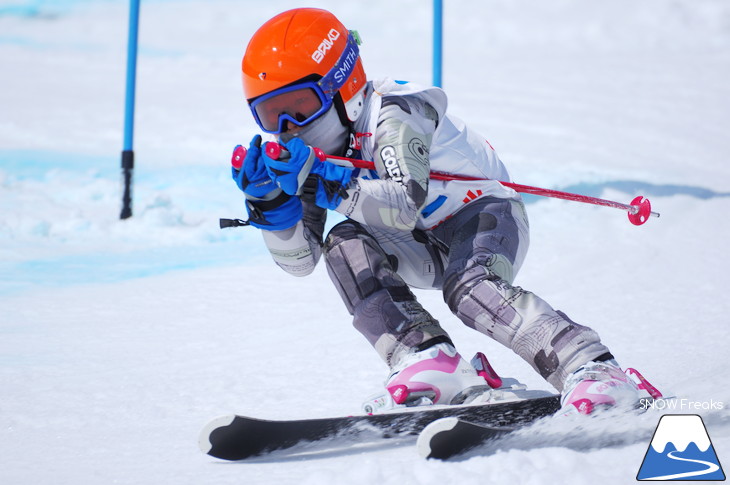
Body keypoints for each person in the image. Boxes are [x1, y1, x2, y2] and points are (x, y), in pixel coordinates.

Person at [231, 8, 661, 415]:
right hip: (415, 241)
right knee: (343, 242)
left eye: (300, 107)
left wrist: (325, 182)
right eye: (271, 115)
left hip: (483, 216)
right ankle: (427, 358)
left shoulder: (396, 115)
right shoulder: (307, 152)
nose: (289, 127)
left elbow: (402, 204)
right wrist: (273, 204)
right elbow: (301, 263)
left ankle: (591, 367)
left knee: (470, 288)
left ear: (341, 84)